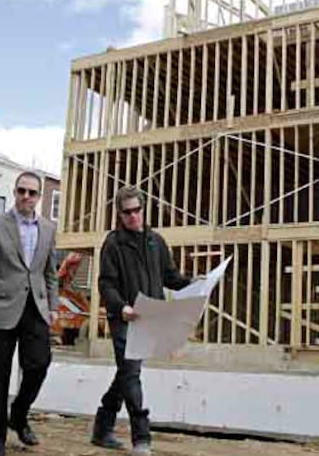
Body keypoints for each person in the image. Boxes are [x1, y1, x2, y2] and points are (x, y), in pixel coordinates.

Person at [91, 185, 194, 456]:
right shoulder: (113, 244)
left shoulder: (155, 242)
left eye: (137, 210)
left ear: (143, 209)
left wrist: (195, 283)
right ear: (119, 215)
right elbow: (106, 283)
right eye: (127, 213)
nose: (133, 216)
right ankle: (142, 437)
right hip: (124, 317)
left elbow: (169, 277)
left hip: (150, 316)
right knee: (131, 372)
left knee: (126, 372)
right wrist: (121, 306)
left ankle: (102, 427)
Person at [0, 171, 59, 456]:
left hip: (36, 307)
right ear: (15, 191)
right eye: (21, 191)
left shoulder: (48, 229)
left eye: (32, 193)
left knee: (39, 364)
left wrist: (54, 306)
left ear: (39, 197)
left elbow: (50, 273)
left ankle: (18, 416)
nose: (26, 197)